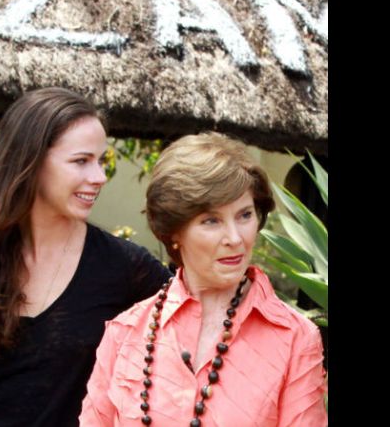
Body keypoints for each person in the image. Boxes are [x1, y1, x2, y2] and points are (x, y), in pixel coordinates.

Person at [0, 88, 172, 427]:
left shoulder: (126, 268)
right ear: (30, 162)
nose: (99, 177)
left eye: (100, 161)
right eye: (81, 161)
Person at [79, 132, 327, 426]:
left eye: (245, 215)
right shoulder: (125, 334)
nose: (235, 238)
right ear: (174, 232)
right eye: (211, 221)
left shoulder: (296, 339)